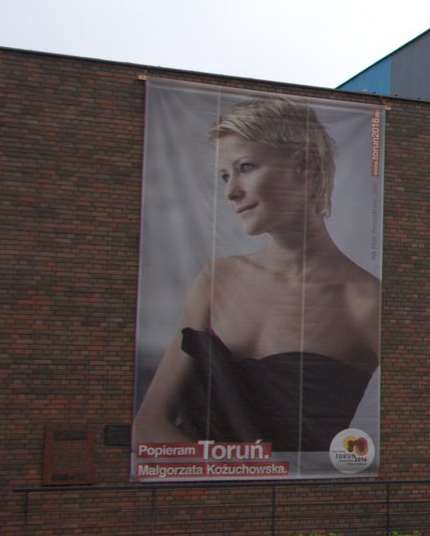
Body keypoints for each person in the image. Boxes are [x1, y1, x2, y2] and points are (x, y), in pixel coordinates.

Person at [134, 97, 380, 456]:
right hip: (204, 486)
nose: (231, 191)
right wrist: (233, 476)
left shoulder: (366, 301)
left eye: (246, 167)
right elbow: (148, 424)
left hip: (295, 488)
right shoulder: (217, 278)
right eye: (225, 176)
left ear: (305, 165)